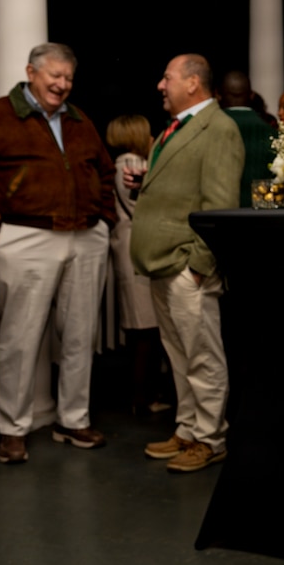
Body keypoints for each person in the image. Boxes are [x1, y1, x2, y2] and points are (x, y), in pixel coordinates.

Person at [0, 42, 116, 464]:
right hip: (24, 238)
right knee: (18, 341)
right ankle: (12, 429)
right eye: (55, 76)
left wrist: (105, 220)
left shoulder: (80, 120)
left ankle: (73, 420)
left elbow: (104, 170)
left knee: (81, 336)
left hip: (85, 238)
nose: (62, 85)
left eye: (68, 78)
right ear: (31, 72)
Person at [128, 53, 244, 473]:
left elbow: (220, 203)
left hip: (186, 266)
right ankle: (189, 429)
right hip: (163, 264)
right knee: (179, 356)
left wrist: (198, 265)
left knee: (203, 357)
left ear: (193, 82)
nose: (161, 85)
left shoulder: (219, 128)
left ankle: (211, 439)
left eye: (168, 77)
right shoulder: (174, 129)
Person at [105, 114, 172, 416]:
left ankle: (142, 396)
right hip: (136, 254)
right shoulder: (131, 164)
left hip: (128, 252)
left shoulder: (121, 163)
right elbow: (144, 207)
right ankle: (142, 399)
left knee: (141, 331)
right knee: (144, 332)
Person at [217, 69, 273, 207]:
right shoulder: (272, 134)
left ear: (218, 95)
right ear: (251, 95)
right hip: (260, 216)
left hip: (219, 216)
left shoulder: (209, 130)